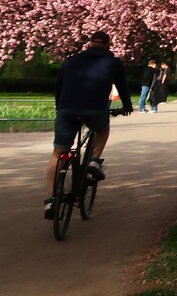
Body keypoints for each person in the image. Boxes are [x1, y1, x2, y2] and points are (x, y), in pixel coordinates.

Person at [45, 31, 132, 218]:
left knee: (58, 154)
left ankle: (51, 200)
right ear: (108, 45)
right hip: (95, 110)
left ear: (89, 43)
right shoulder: (113, 62)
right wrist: (127, 106)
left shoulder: (70, 61)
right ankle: (93, 160)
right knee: (102, 129)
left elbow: (58, 87)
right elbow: (122, 86)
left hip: (66, 110)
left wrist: (60, 108)